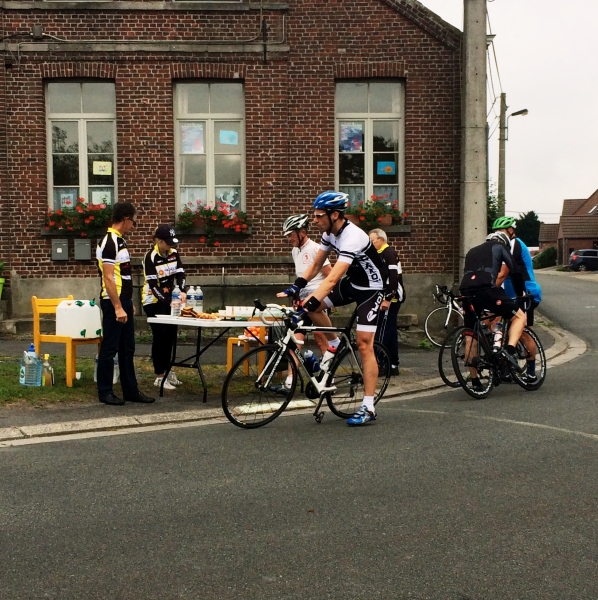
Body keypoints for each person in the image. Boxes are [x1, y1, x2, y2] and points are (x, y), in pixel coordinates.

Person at [279, 191, 388, 426]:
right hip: (353, 283)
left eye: (319, 216)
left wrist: (308, 302)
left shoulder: (352, 237)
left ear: (335, 215)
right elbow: (316, 264)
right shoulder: (329, 233)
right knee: (311, 307)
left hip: (371, 290)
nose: (315, 220)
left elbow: (331, 279)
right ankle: (336, 344)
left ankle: (368, 406)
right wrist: (297, 286)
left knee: (364, 344)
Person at [96, 201, 155, 405]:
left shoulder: (120, 241)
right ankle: (105, 391)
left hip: (124, 301)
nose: (134, 226)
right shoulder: (109, 242)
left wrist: (128, 302)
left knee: (127, 347)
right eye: (134, 222)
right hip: (114, 301)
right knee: (110, 347)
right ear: (125, 219)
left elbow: (124, 275)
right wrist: (118, 306)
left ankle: (131, 390)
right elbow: (109, 277)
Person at [459, 229, 527, 388]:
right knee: (520, 317)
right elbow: (514, 269)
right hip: (487, 290)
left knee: (471, 335)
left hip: (467, 293)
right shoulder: (500, 246)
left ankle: (475, 382)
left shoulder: (472, 251)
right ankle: (508, 352)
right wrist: (520, 293)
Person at [275, 214, 332, 389]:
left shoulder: (315, 249)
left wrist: (329, 299)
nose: (288, 239)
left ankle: (328, 378)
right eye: (287, 235)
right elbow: (301, 277)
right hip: (302, 300)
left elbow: (330, 274)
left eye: (291, 234)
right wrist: (296, 296)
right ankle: (290, 381)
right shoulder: (295, 251)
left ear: (302, 233)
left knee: (321, 338)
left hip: (317, 299)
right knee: (295, 340)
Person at [492, 216, 543, 382]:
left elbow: (503, 273)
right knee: (502, 327)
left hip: (525, 292)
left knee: (522, 332)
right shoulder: (502, 246)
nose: (498, 235)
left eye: (501, 231)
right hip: (511, 293)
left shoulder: (514, 244)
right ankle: (507, 368)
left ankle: (531, 372)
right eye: (496, 232)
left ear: (510, 231)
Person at [142, 224, 187, 390]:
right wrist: (167, 300)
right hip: (153, 301)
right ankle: (159, 375)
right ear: (159, 241)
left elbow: (180, 274)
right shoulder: (150, 257)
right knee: (160, 336)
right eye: (168, 243)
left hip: (171, 300)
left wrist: (182, 290)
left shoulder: (174, 253)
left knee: (170, 336)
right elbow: (153, 285)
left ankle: (167, 370)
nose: (171, 246)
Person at [368, 228, 405, 377]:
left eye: (372, 241)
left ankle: (380, 363)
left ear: (381, 240)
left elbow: (393, 277)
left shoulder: (388, 253)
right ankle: (393, 364)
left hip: (391, 298)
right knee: (390, 330)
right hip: (384, 296)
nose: (370, 243)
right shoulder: (377, 254)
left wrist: (388, 298)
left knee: (382, 331)